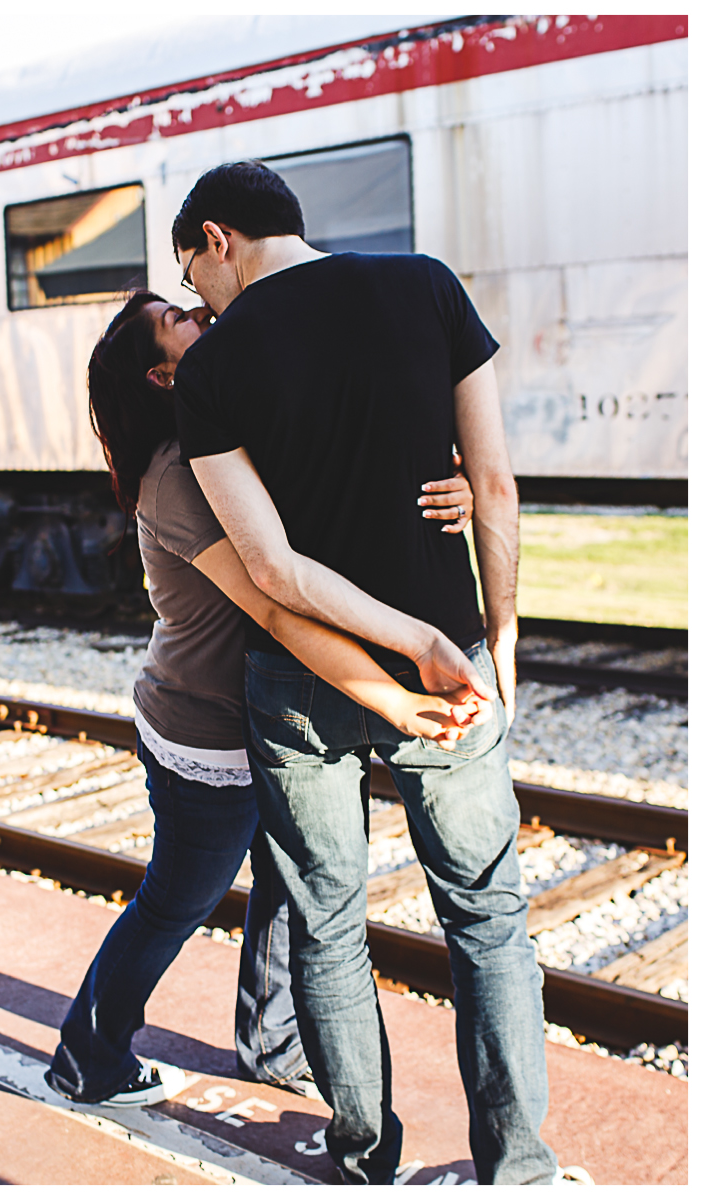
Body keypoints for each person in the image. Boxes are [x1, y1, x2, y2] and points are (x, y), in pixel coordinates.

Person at [170, 161, 556, 1184]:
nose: (199, 305)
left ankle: (363, 1149)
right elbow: (497, 484)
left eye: (193, 277)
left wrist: (394, 638)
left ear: (217, 239)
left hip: (300, 684)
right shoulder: (427, 284)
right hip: (448, 664)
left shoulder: (211, 372)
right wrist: (493, 638)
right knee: (486, 915)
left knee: (329, 922)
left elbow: (269, 568)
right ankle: (517, 1164)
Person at [50, 289, 480, 1113]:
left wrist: (457, 493)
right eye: (182, 320)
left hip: (266, 716)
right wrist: (389, 699)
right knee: (177, 902)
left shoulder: (223, 441)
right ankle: (86, 1054)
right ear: (160, 374)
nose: (202, 316)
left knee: (284, 889)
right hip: (203, 730)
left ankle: (271, 1045)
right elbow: (276, 603)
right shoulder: (176, 478)